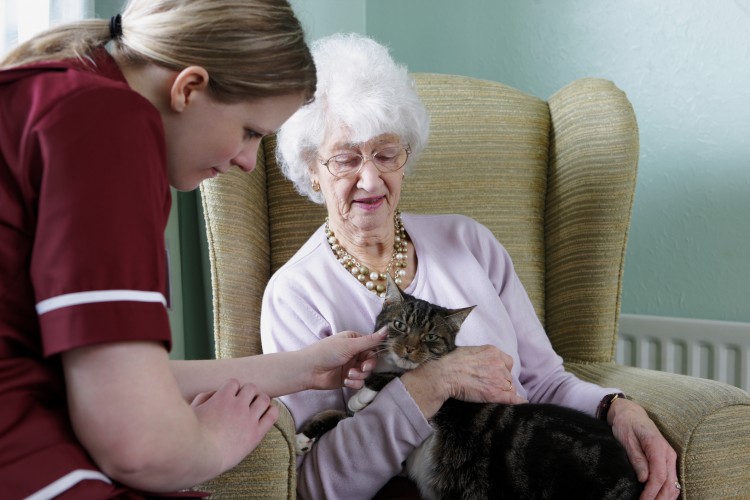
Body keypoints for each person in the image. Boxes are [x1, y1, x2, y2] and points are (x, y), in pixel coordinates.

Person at [261, 33, 681, 500]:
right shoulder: (295, 294)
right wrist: (431, 383)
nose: (370, 178)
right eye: (345, 158)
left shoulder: (469, 242)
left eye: (385, 154)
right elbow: (316, 482)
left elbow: (542, 380)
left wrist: (616, 406)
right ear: (312, 170)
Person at [0, 2, 387, 498]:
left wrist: (305, 367)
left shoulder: (56, 93)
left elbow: (118, 380)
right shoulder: (108, 125)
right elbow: (138, 446)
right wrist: (212, 443)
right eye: (250, 132)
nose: (249, 162)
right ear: (188, 88)